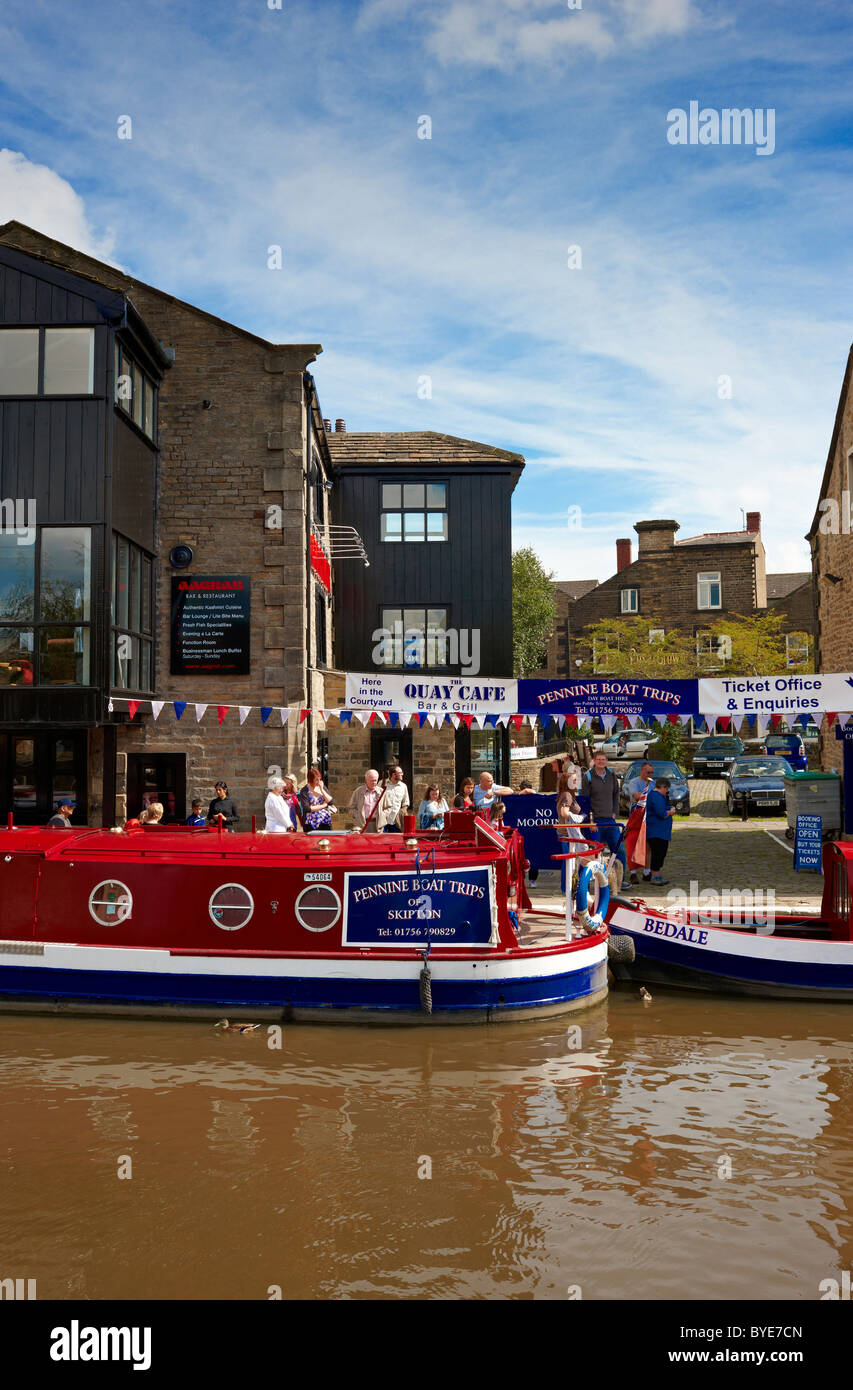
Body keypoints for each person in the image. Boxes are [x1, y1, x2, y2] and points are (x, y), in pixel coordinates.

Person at [584, 751, 627, 886]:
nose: (601, 762)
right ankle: (594, 881)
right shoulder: (588, 776)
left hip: (610, 820)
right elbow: (584, 801)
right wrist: (590, 821)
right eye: (598, 759)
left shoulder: (612, 775)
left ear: (606, 760)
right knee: (595, 853)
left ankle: (620, 880)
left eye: (603, 759)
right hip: (595, 821)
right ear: (594, 761)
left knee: (619, 849)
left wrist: (615, 812)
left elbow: (616, 795)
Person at [625, 761, 655, 884]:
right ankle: (633, 872)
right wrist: (649, 793)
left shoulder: (653, 783)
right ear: (642, 771)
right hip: (637, 816)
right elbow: (637, 796)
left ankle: (647, 871)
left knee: (648, 844)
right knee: (632, 843)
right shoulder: (634, 782)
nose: (650, 774)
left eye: (652, 772)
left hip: (649, 816)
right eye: (648, 772)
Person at [556, 773, 584, 894]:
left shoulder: (566, 794)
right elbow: (564, 812)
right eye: (574, 780)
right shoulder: (567, 795)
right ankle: (568, 889)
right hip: (568, 833)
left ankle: (567, 888)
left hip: (565, 832)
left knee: (568, 861)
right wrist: (579, 818)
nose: (577, 782)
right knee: (570, 861)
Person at [645, 777, 676, 885]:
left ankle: (657, 874)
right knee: (658, 853)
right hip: (656, 831)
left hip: (660, 831)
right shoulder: (656, 797)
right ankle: (655, 876)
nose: (667, 791)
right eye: (667, 789)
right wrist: (671, 812)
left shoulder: (658, 796)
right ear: (662, 787)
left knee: (660, 853)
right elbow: (661, 813)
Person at [299, 766, 336, 832]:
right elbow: (307, 808)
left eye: (319, 779)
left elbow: (331, 802)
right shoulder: (304, 791)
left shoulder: (322, 787)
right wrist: (323, 805)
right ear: (310, 780)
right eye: (316, 780)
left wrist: (322, 790)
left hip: (325, 822)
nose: (319, 781)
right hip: (311, 824)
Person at [378, 764, 410, 832]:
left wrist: (401, 813)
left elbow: (406, 803)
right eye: (400, 773)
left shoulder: (403, 786)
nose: (402, 774)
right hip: (383, 820)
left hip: (396, 822)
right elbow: (376, 800)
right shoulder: (382, 783)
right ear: (393, 774)